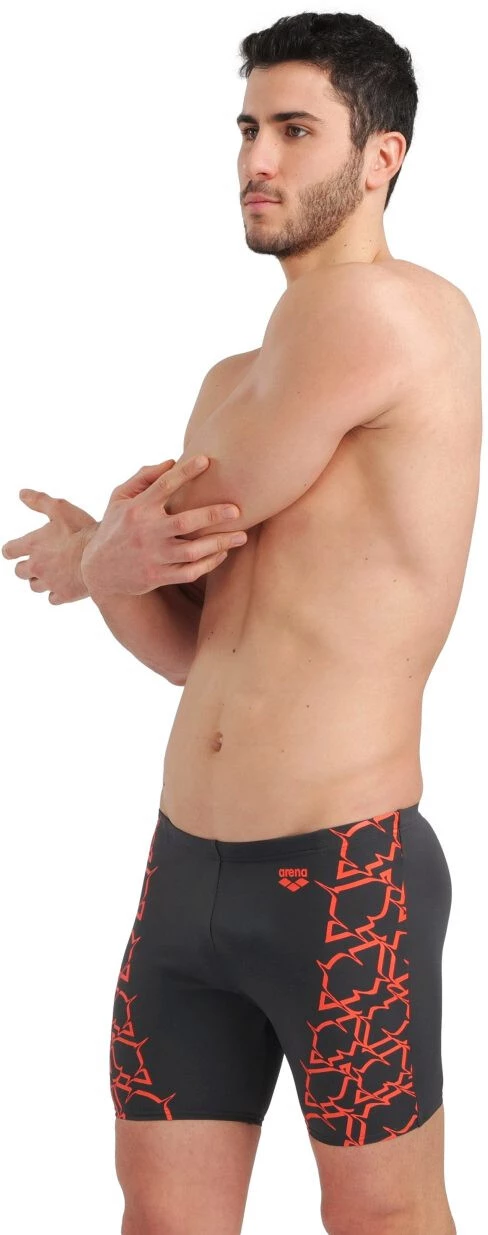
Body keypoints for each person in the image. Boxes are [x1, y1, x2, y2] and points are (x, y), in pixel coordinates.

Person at [2, 12, 480, 1235]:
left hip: (341, 876)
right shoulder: (230, 379)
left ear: (379, 158)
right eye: (248, 127)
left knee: (381, 1216)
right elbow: (194, 643)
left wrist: (96, 554)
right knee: (161, 1217)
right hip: (185, 869)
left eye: (295, 130)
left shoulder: (393, 312)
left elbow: (175, 520)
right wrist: (110, 563)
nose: (255, 159)